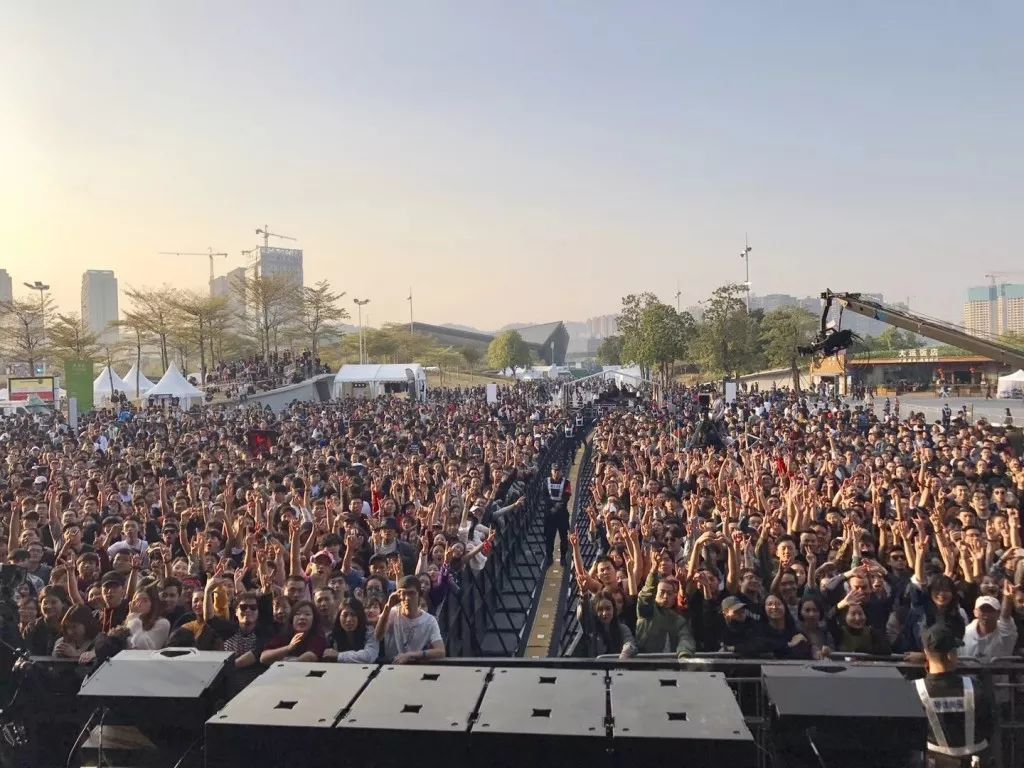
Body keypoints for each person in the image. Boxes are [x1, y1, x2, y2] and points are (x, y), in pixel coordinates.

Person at [915, 624, 994, 767]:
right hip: (976, 760)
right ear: (951, 655)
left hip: (935, 761)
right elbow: (989, 725)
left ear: (926, 653)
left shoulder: (915, 690)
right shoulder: (975, 686)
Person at [375, 575, 446, 664]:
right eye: (403, 593)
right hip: (392, 666)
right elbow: (378, 636)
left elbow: (440, 651)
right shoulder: (392, 613)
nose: (407, 598)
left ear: (419, 595)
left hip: (415, 667)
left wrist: (410, 655)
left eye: (411, 593)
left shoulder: (429, 621)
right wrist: (387, 607)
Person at [960, 584, 1018, 661]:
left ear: (998, 614)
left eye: (991, 610)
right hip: (968, 672)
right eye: (983, 610)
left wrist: (1007, 597)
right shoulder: (965, 633)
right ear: (975, 612)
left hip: (1000, 672)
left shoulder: (1005, 632)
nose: (986, 614)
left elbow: (1005, 616)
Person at [543, 463, 571, 566]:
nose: (556, 472)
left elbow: (566, 497)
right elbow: (545, 496)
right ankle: (549, 557)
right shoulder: (546, 482)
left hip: (562, 514)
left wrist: (557, 507)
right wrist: (552, 507)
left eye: (558, 470)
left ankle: (563, 557)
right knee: (549, 537)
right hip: (549, 514)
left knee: (564, 537)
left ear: (561, 471)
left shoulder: (566, 482)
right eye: (554, 470)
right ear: (551, 471)